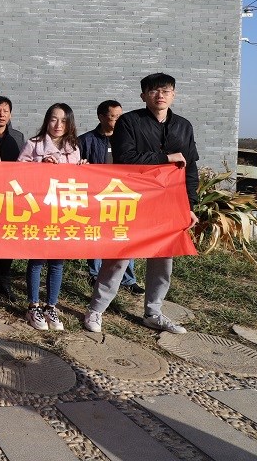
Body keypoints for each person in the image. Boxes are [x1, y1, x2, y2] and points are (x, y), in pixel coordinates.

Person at [84, 73, 199, 335]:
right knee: (119, 257)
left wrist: (191, 205)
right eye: (154, 91)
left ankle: (153, 312)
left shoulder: (184, 126)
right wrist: (165, 158)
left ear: (174, 95)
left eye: (166, 91)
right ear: (143, 95)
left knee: (163, 259)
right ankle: (96, 309)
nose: (160, 95)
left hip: (169, 204)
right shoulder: (129, 122)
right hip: (134, 200)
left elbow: (190, 168)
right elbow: (125, 158)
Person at [18, 103, 83, 331]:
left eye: (63, 120)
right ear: (47, 120)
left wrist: (83, 170)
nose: (58, 125)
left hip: (63, 212)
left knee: (57, 261)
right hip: (39, 211)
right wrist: (40, 165)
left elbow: (75, 182)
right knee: (36, 260)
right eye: (54, 119)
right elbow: (18, 174)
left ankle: (51, 306)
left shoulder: (73, 148)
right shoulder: (33, 144)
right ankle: (33, 305)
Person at [80, 100, 144, 294]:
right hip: (96, 196)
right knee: (96, 234)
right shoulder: (86, 140)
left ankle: (128, 279)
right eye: (113, 117)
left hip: (122, 194)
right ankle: (95, 273)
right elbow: (76, 167)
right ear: (101, 117)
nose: (118, 120)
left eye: (120, 116)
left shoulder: (129, 139)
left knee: (123, 234)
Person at [0, 95, 26, 301]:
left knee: (7, 239)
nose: (1, 115)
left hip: (9, 195)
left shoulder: (18, 137)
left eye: (6, 111)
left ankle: (2, 282)